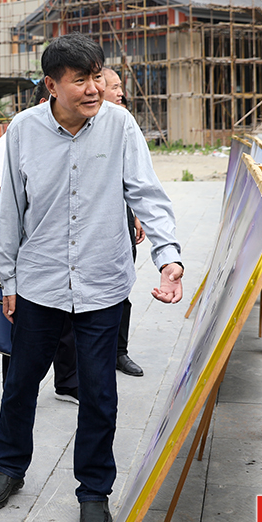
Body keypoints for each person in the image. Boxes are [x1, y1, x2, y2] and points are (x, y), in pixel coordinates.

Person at [0, 33, 184, 522]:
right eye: (80, 80)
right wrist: (9, 279)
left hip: (102, 282)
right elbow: (12, 212)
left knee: (99, 392)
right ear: (51, 85)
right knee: (20, 383)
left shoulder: (120, 125)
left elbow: (147, 193)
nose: (94, 88)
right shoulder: (23, 130)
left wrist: (168, 258)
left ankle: (94, 490)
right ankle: (10, 466)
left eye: (97, 77)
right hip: (39, 283)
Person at [0, 81, 79, 403]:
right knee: (22, 324)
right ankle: (14, 388)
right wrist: (3, 247)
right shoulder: (14, 138)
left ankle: (67, 382)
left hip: (61, 253)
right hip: (28, 253)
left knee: (65, 321)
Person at [101, 67, 147, 378]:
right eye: (114, 86)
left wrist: (136, 213)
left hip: (122, 218)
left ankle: (119, 352)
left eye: (121, 86)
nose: (120, 92)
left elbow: (136, 178)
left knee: (122, 288)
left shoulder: (125, 123)